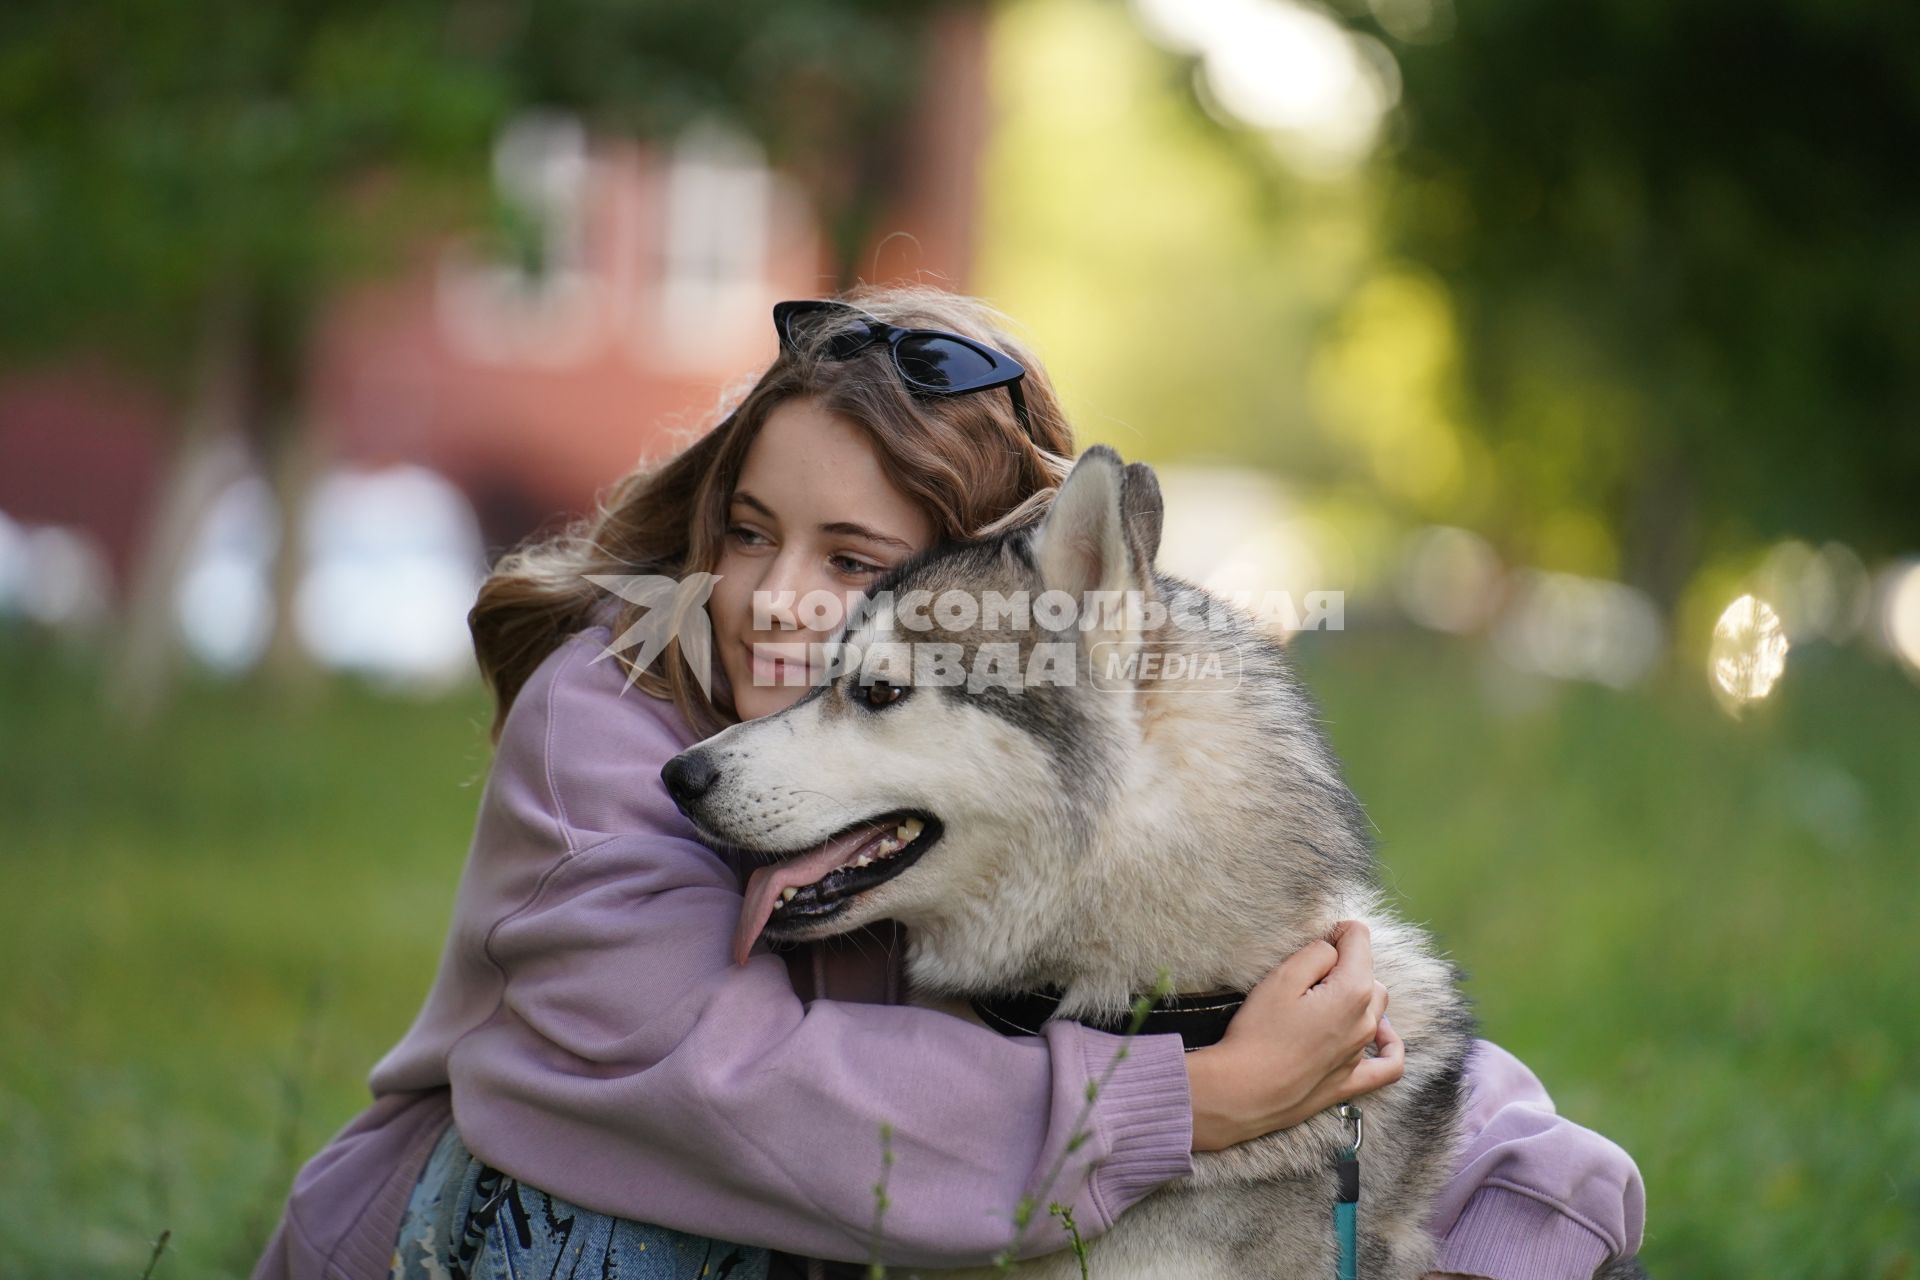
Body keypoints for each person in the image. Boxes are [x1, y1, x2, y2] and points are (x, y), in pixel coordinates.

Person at [252, 284, 1644, 1280]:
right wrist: (1196, 1104)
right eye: (748, 531)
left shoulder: (997, 830)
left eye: (855, 565)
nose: (776, 601)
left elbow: (1389, 1047)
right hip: (521, 1234)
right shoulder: (611, 723)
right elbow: (725, 1091)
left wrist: (1531, 1221)